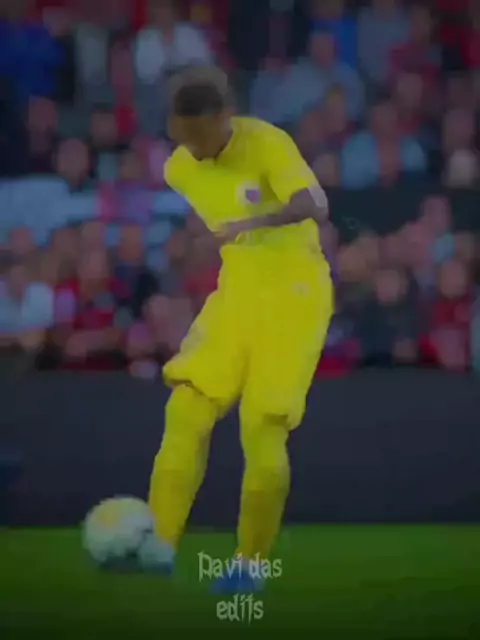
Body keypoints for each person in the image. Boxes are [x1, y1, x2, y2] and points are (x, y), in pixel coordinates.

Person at [144, 66, 334, 593]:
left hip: (296, 292)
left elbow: (317, 205)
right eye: (183, 135)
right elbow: (216, 211)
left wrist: (250, 224)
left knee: (262, 426)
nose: (194, 147)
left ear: (225, 117)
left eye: (201, 135)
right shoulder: (179, 168)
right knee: (186, 407)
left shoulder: (266, 142)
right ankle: (156, 546)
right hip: (237, 291)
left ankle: (251, 566)